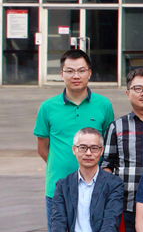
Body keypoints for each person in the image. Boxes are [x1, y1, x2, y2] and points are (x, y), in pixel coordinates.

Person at [36, 50, 115, 197]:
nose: (76, 76)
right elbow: (42, 149)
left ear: (89, 73)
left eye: (81, 71)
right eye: (70, 71)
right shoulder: (47, 107)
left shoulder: (104, 105)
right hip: (58, 189)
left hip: (94, 188)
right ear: (62, 74)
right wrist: (63, 165)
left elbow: (109, 145)